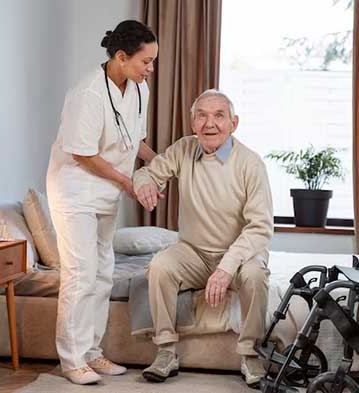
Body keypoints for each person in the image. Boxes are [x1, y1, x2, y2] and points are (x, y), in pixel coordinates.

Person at [132, 89, 273, 388]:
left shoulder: (250, 163)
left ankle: (250, 354)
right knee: (160, 266)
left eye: (219, 116)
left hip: (238, 255)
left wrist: (225, 268)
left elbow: (260, 227)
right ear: (193, 123)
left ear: (234, 123)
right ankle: (166, 351)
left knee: (256, 275)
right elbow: (150, 173)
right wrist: (143, 183)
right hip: (193, 252)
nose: (210, 123)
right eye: (202, 115)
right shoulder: (183, 149)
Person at [46, 20, 159, 385]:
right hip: (76, 192)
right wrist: (128, 182)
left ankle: (92, 352)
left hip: (107, 193)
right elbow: (83, 155)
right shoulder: (88, 94)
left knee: (103, 273)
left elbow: (134, 140)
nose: (151, 69)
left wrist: (160, 165)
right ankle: (71, 358)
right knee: (80, 274)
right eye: (146, 62)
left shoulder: (138, 89)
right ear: (122, 57)